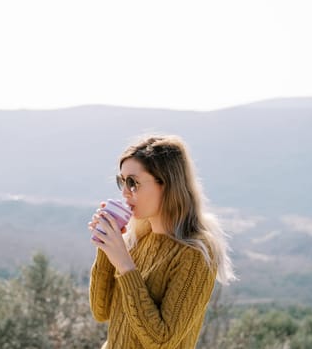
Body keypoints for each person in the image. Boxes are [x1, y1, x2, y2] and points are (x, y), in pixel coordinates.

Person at [88, 135, 236, 349]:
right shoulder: (138, 241)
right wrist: (107, 245)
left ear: (166, 184)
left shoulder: (195, 254)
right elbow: (101, 311)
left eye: (133, 182)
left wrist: (125, 265)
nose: (124, 192)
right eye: (121, 181)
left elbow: (162, 340)